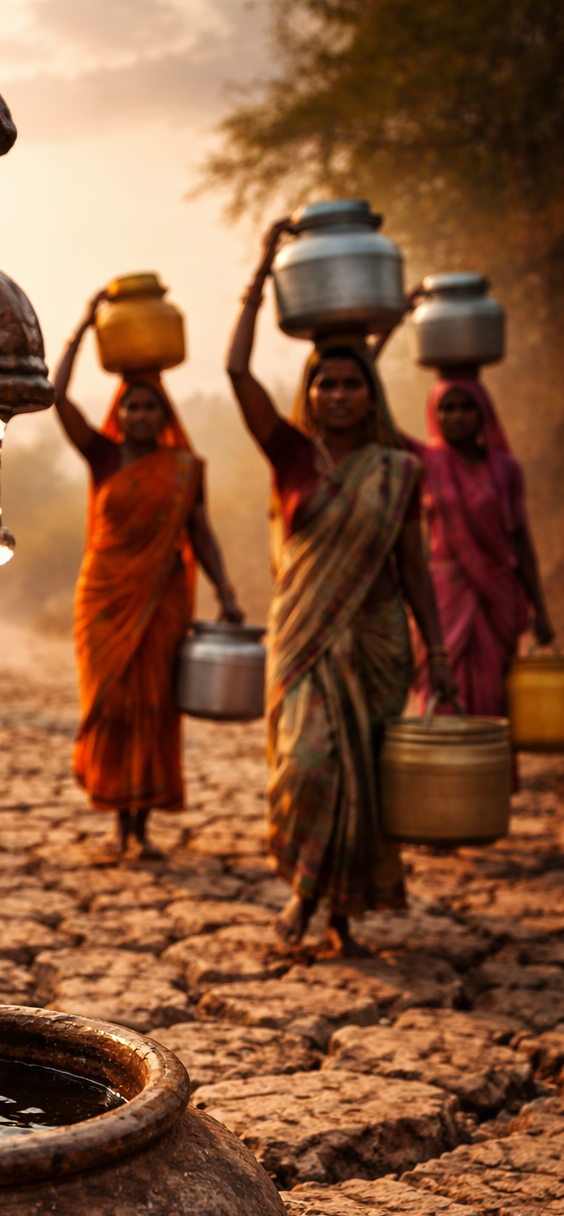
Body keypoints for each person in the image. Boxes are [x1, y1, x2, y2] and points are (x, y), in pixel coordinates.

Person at [226, 220, 458, 954]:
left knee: (363, 777)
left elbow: (414, 566)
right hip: (302, 638)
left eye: (351, 382)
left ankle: (337, 915)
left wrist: (440, 651)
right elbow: (237, 374)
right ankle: (304, 889)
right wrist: (262, 271)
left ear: (370, 393)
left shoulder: (398, 468)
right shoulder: (290, 452)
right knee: (311, 763)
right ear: (311, 390)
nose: (337, 393)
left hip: (378, 638)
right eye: (325, 382)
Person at [55, 289, 244, 859]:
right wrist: (82, 331)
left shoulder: (186, 470)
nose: (140, 415)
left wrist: (226, 591)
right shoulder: (103, 455)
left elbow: (200, 534)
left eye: (150, 407)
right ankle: (116, 819)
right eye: (132, 406)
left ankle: (141, 825)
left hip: (161, 600)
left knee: (153, 706)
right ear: (120, 413)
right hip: (103, 599)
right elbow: (56, 397)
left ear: (165, 416)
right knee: (110, 704)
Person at [393, 375, 554, 715]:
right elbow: (377, 421)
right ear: (433, 415)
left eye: (467, 407)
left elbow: (521, 539)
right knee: (440, 694)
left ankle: (489, 769)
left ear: (484, 412)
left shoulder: (506, 469)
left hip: (497, 596)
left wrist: (540, 608)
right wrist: (367, 349)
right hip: (443, 601)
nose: (457, 417)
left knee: (494, 700)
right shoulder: (424, 461)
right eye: (446, 408)